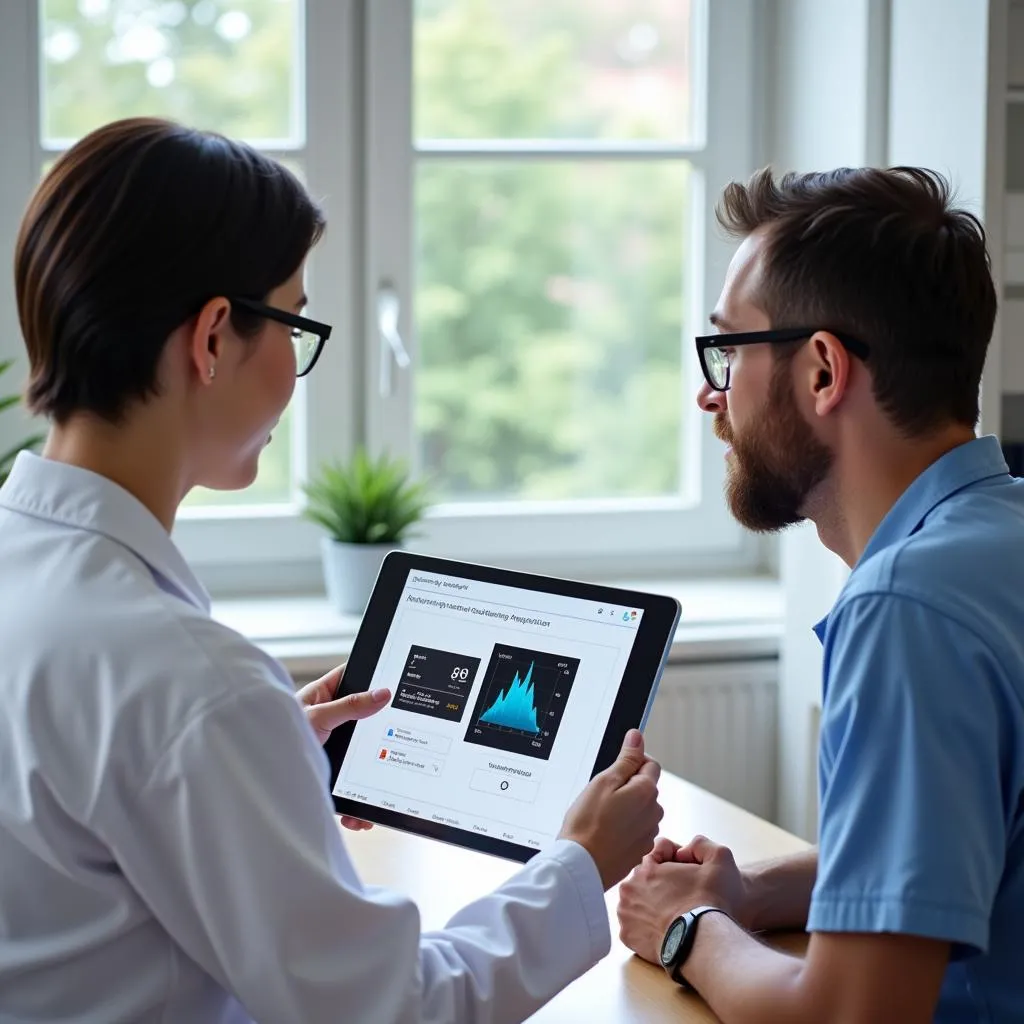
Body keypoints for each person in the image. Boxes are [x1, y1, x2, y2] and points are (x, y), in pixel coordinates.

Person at [0, 117, 663, 1023]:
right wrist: (582, 863)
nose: (295, 370)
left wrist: (263, 755)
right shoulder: (191, 684)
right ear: (213, 337)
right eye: (295, 323)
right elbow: (391, 1010)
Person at [616, 166, 1024, 1023]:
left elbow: (849, 1015)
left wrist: (688, 929)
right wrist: (754, 895)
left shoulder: (908, 609)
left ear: (822, 371)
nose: (710, 393)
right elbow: (968, 849)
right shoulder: (997, 543)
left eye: (728, 351)